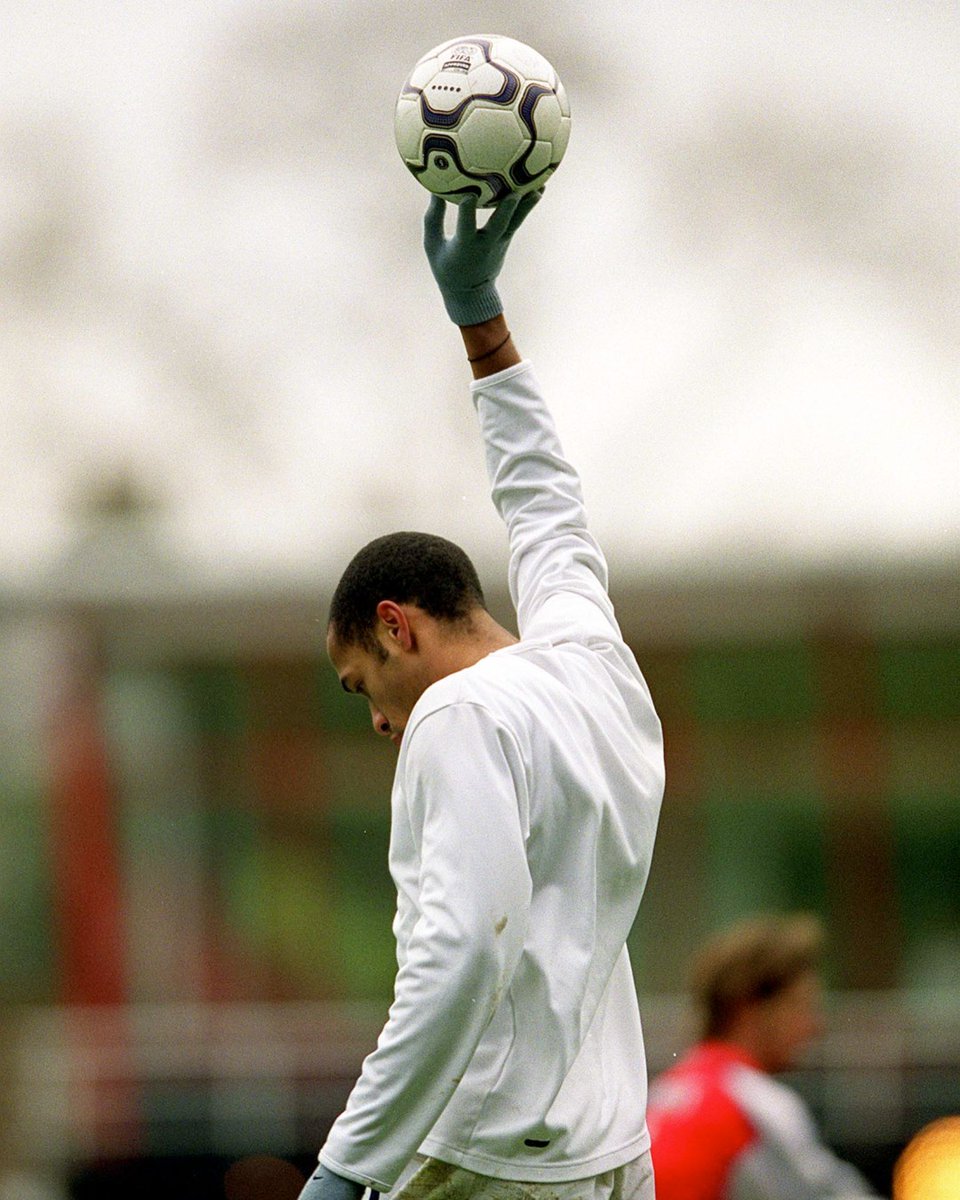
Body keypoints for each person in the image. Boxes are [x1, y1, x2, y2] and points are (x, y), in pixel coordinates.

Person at [297, 189, 665, 1200]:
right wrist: (483, 325)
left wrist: (344, 1166)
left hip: (489, 1160)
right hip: (612, 1153)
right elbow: (547, 503)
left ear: (393, 625)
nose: (377, 719)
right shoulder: (594, 664)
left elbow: (463, 955)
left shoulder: (458, 717)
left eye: (363, 685)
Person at [646, 914, 882, 1199]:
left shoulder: (660, 1093)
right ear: (749, 1008)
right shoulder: (756, 1104)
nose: (815, 1026)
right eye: (801, 1005)